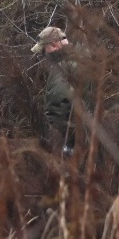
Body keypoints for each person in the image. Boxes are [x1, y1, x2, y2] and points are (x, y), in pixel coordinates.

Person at [31, 25, 81, 155]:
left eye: (44, 50)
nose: (43, 55)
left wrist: (53, 140)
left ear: (53, 45)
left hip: (73, 141)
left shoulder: (62, 69)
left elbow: (57, 108)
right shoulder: (80, 57)